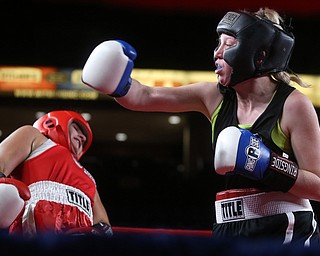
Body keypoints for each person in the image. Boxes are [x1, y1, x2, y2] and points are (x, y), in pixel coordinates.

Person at [81, 7, 320, 246]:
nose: (217, 53)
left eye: (229, 44)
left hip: (285, 226)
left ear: (257, 52)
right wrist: (117, 83)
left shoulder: (293, 105)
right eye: (218, 43)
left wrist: (268, 164)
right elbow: (144, 96)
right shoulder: (213, 96)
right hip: (229, 227)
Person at [0, 110, 112, 237]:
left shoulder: (89, 179)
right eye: (76, 129)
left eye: (84, 135)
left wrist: (93, 234)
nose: (83, 137)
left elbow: (104, 226)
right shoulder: (35, 138)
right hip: (32, 228)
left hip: (78, 242)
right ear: (51, 124)